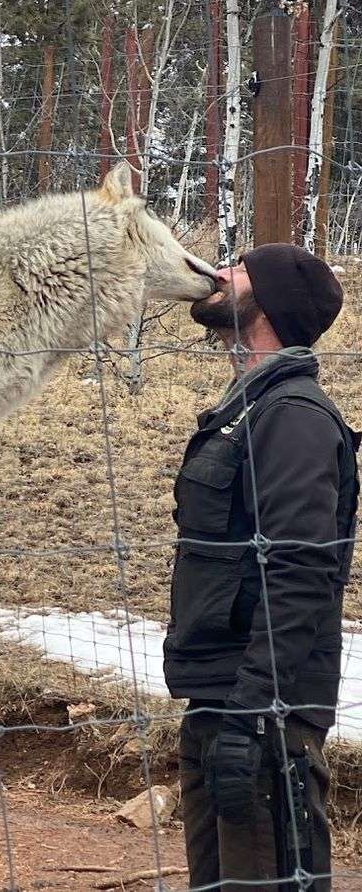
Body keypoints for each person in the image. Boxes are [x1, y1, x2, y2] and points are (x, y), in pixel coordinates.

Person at [163, 244, 358, 892]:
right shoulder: (247, 409)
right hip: (221, 706)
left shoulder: (293, 417)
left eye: (240, 266)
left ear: (269, 303)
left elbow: (299, 576)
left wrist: (250, 720)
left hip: (265, 720)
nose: (220, 272)